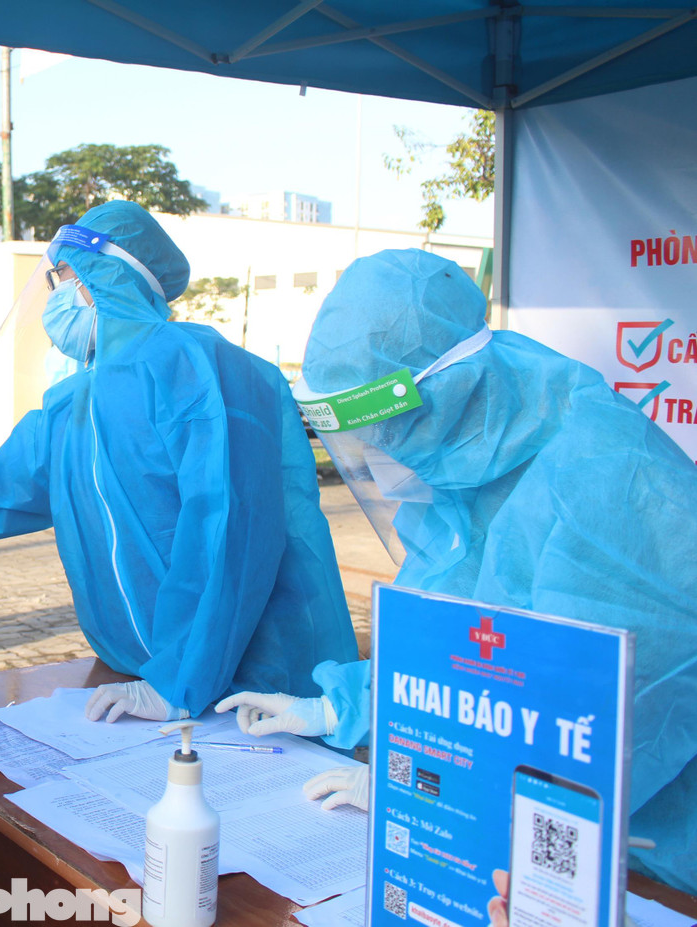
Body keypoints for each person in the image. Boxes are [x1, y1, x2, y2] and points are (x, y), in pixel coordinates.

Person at [219, 249, 697, 894]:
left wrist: (433, 796)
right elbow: (449, 650)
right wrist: (337, 710)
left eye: (391, 425)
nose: (383, 450)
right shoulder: (466, 477)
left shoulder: (609, 474)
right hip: (520, 841)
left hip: (642, 853)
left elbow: (616, 715)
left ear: (450, 391)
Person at [0, 201, 357, 721]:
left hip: (251, 683)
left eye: (59, 276)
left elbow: (228, 533)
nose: (53, 295)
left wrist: (176, 683)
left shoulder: (200, 367)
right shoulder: (70, 406)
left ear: (102, 274)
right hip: (136, 676)